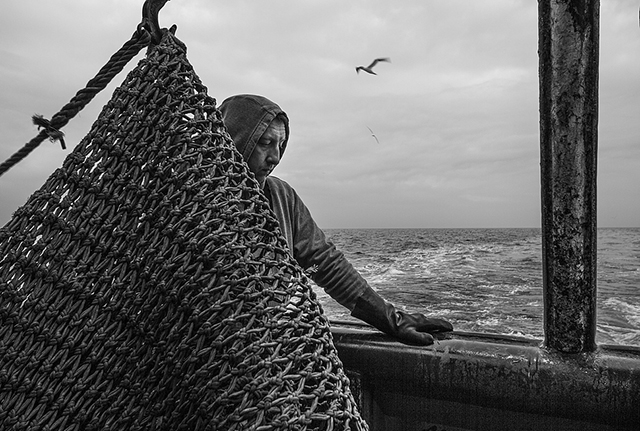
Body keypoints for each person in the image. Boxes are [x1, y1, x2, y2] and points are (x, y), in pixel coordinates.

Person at [219, 94, 453, 345]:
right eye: (265, 143)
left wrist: (391, 319)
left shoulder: (281, 197)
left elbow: (326, 264)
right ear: (236, 139)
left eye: (281, 144)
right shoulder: (193, 203)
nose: (275, 157)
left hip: (269, 344)